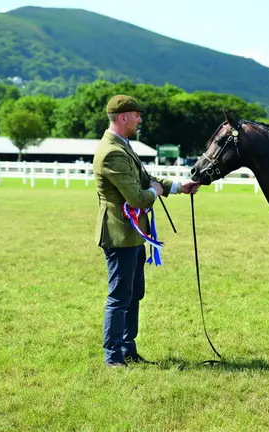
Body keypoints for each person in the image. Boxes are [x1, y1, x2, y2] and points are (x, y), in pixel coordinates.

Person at [93, 94, 200, 368]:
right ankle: (113, 356)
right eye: (136, 115)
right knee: (119, 296)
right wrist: (154, 191)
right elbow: (138, 197)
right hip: (119, 234)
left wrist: (177, 186)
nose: (140, 120)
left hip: (133, 234)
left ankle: (128, 349)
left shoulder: (123, 146)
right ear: (123, 117)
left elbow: (145, 180)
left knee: (133, 293)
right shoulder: (112, 153)